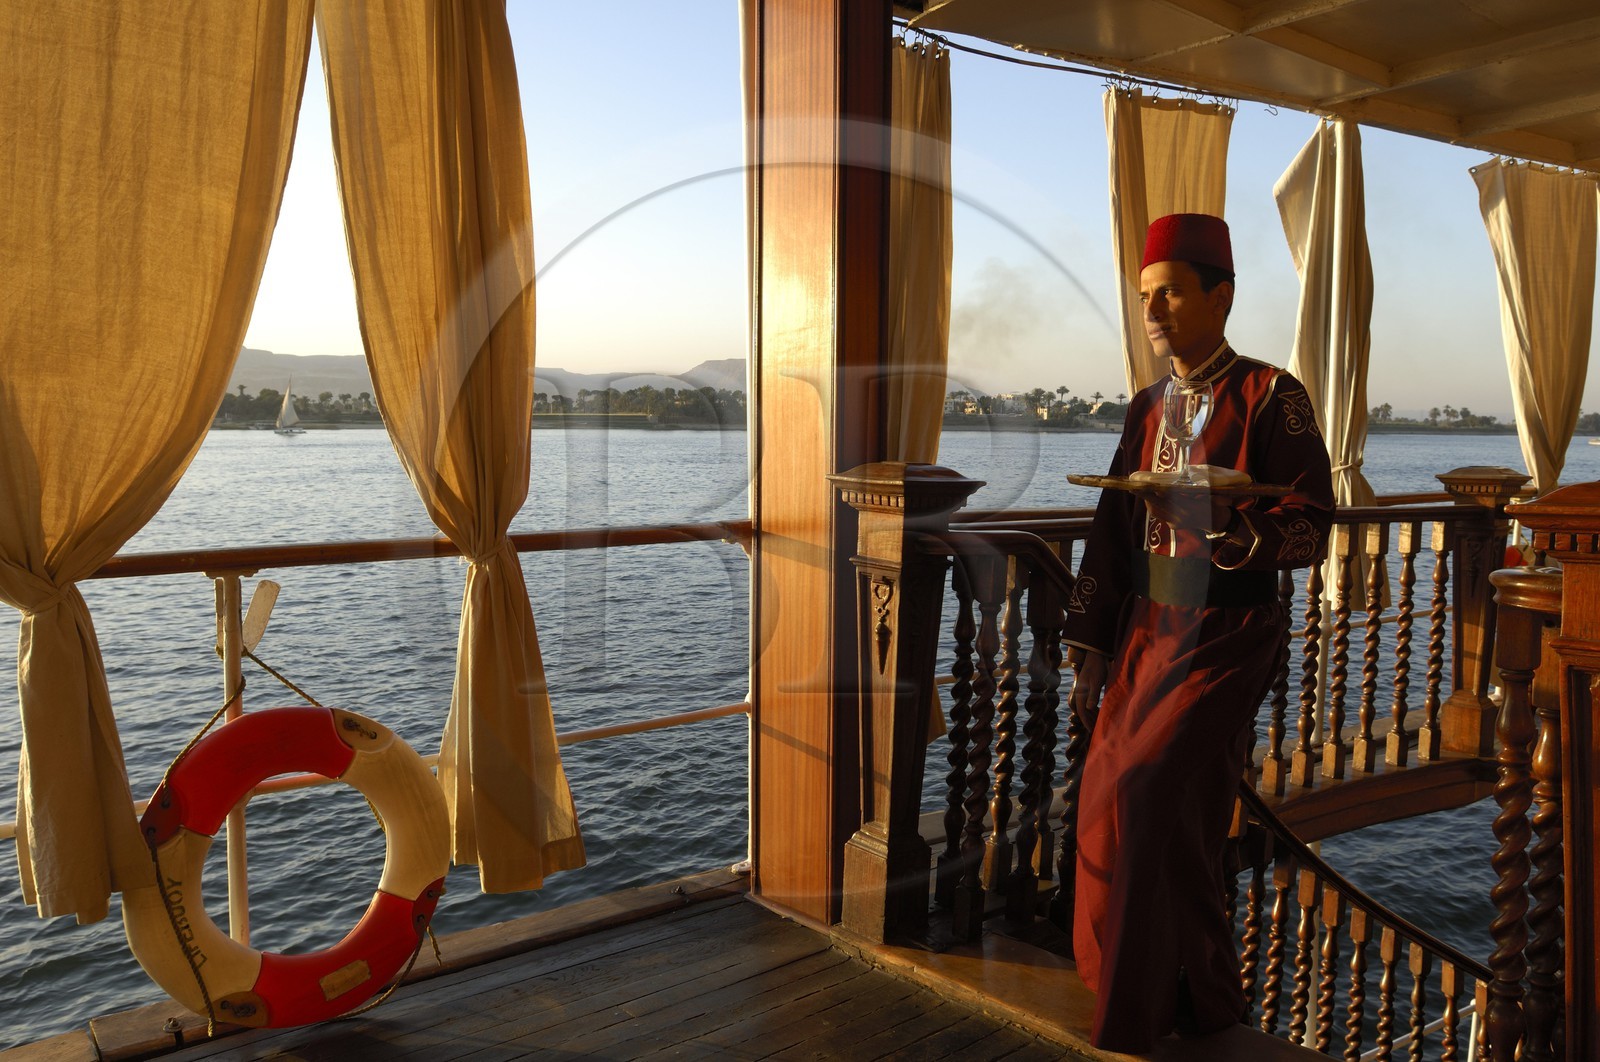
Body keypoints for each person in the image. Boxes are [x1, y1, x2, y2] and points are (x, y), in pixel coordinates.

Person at [1064, 212, 1334, 1052]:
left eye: (1172, 293)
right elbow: (1112, 531)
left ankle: (1140, 1014)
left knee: (1147, 796)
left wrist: (1221, 515)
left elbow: (1314, 522)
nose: (1154, 311)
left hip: (1227, 630)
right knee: (1116, 804)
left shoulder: (1271, 395)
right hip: (1148, 633)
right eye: (1146, 296)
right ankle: (1195, 997)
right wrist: (1090, 652)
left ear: (1221, 296)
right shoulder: (1146, 407)